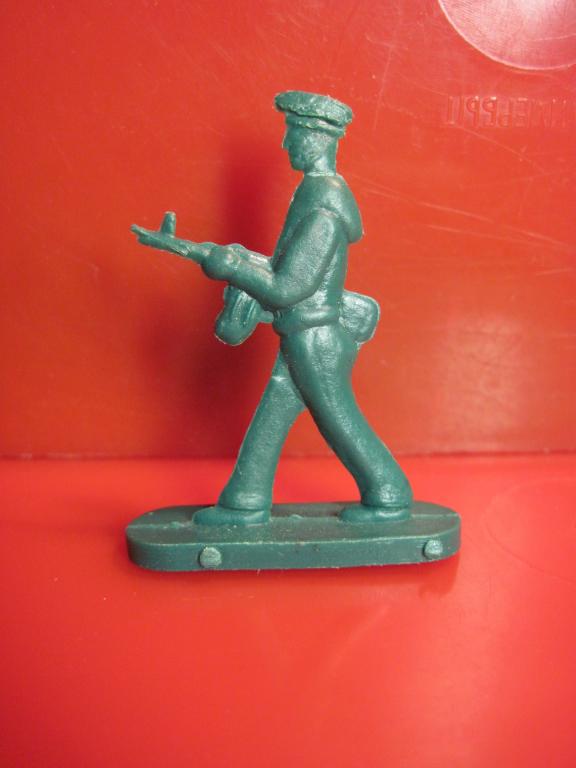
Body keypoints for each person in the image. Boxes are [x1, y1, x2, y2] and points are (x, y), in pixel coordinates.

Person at [192, 91, 413, 525]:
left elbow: (289, 286)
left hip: (315, 339)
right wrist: (240, 260)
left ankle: (389, 494)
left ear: (317, 138)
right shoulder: (313, 192)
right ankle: (245, 501)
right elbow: (284, 269)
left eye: (293, 134)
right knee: (271, 419)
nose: (286, 143)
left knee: (339, 420)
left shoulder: (325, 206)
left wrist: (232, 267)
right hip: (303, 335)